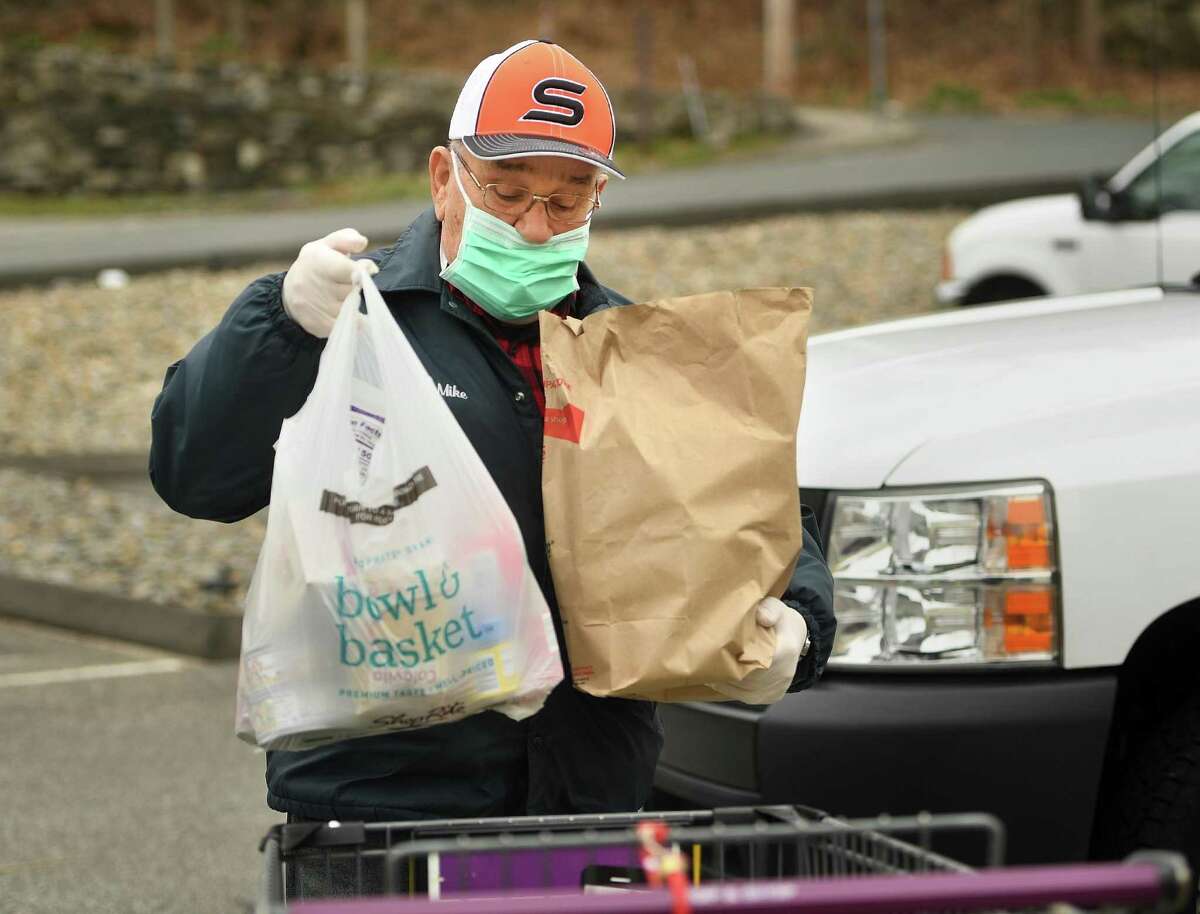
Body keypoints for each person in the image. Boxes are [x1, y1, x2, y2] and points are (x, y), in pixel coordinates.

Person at [150, 40, 836, 824]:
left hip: (585, 802)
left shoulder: (632, 353)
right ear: (445, 180)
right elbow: (193, 474)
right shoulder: (349, 323)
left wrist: (801, 631)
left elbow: (754, 515)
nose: (537, 228)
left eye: (567, 201)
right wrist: (280, 326)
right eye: (508, 194)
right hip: (383, 812)